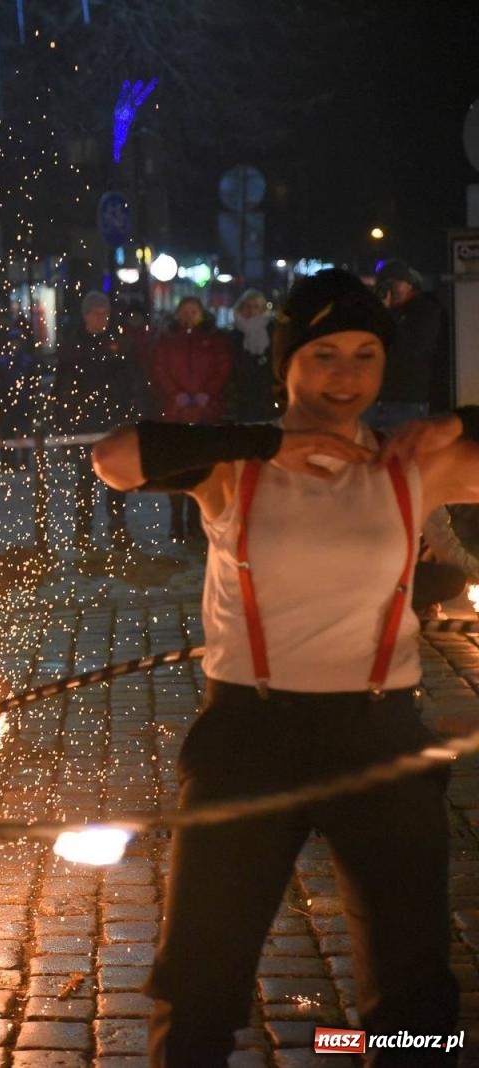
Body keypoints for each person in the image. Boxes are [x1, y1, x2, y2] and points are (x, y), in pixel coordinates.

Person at [92, 268, 479, 1066]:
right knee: (199, 985)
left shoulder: (411, 464)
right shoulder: (239, 467)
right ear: (287, 361)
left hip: (381, 737)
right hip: (248, 736)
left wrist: (458, 419)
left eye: (366, 355)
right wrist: (265, 440)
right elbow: (115, 461)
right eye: (325, 354)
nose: (346, 376)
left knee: (416, 999)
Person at [54, 292, 139, 553]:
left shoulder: (119, 343)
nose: (100, 317)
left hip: (112, 421)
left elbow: (129, 382)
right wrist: (63, 420)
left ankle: (117, 526)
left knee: (116, 479)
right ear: (86, 315)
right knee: (85, 481)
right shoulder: (74, 345)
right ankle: (83, 530)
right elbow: (63, 385)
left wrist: (128, 415)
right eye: (95, 312)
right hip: (84, 423)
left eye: (104, 312)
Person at [147, 296, 232, 543]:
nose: (189, 316)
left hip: (206, 411)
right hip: (176, 411)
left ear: (201, 314)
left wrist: (207, 394)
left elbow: (222, 367)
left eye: (193, 311)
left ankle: (195, 523)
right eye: (184, 311)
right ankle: (175, 521)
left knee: (201, 468)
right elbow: (159, 368)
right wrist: (176, 395)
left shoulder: (214, 339)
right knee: (176, 467)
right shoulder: (167, 340)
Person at [374, 259, 450, 425]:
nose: (390, 289)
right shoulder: (379, 312)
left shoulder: (425, 310)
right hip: (376, 399)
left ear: (409, 284)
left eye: (394, 283)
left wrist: (386, 314)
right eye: (384, 284)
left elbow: (412, 348)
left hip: (408, 400)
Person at [228, 288, 277, 422]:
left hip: (265, 390)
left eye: (256, 307)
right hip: (241, 391)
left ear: (262, 309)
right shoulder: (234, 333)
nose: (251, 310)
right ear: (241, 307)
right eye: (247, 306)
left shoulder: (271, 331)